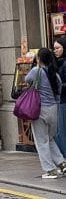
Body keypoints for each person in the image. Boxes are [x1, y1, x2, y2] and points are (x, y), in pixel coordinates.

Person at [25, 47, 66, 179]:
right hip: (53, 109)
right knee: (49, 138)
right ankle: (61, 162)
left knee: (41, 141)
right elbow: (58, 93)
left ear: (39, 59)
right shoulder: (56, 74)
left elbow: (26, 79)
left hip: (40, 109)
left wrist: (35, 65)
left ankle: (50, 169)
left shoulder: (36, 71)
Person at [53, 37, 66, 157]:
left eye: (58, 48)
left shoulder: (64, 63)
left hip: (63, 100)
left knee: (61, 131)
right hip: (60, 100)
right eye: (54, 49)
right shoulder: (58, 62)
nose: (55, 51)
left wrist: (59, 86)